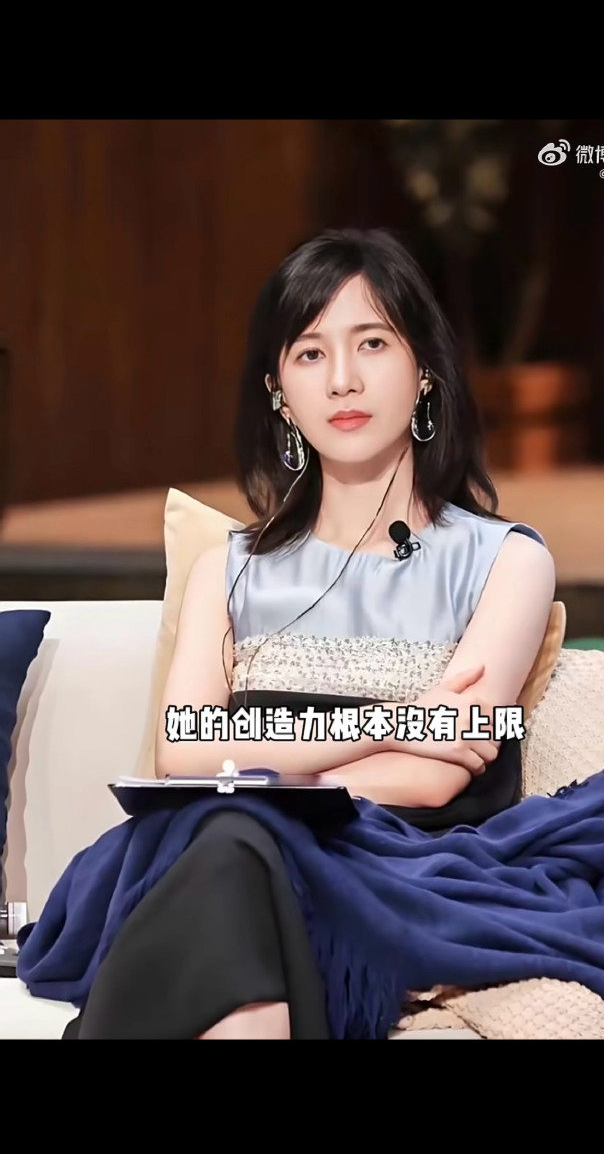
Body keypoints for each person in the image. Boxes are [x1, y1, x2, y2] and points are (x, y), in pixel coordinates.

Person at [58, 226, 556, 1040]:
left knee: (234, 836)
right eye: (311, 353)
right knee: (231, 843)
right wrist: (391, 722)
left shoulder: (505, 560)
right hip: (234, 854)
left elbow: (435, 777)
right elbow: (182, 751)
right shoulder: (230, 569)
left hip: (394, 866)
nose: (343, 378)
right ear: (279, 393)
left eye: (372, 343)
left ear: (424, 371)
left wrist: (256, 769)